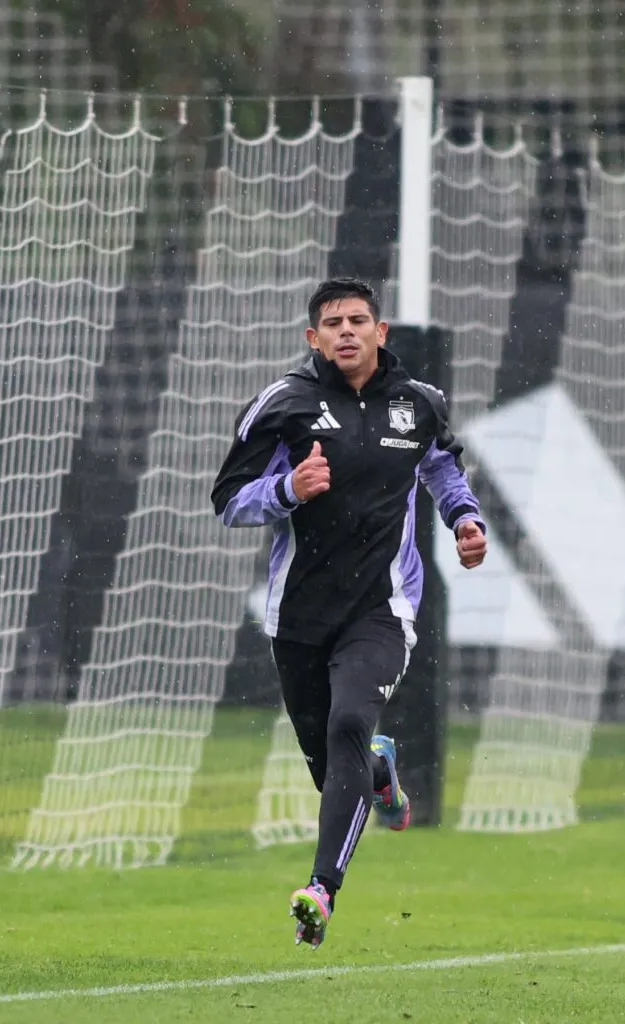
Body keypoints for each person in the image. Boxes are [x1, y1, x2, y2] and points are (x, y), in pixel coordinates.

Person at [211, 277, 487, 949]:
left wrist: (464, 519)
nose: (345, 331)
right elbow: (227, 499)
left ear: (379, 331)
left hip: (382, 608)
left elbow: (442, 468)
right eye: (331, 322)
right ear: (313, 338)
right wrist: (286, 488)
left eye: (357, 319)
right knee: (333, 765)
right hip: (299, 616)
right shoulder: (284, 404)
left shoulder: (416, 404)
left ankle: (320, 891)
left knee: (348, 725)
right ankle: (380, 772)